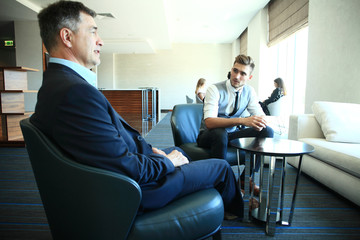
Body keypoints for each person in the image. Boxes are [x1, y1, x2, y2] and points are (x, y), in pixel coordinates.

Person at [31, 1, 243, 218]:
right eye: (93, 32)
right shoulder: (76, 93)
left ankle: (208, 195)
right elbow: (125, 167)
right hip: (137, 190)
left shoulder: (54, 86)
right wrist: (166, 162)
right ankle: (234, 212)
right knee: (221, 167)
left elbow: (106, 151)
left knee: (181, 152)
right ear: (67, 37)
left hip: (121, 180)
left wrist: (152, 153)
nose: (100, 41)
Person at [197, 54, 274, 160]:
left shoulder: (249, 91)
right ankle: (221, 175)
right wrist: (242, 121)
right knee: (220, 133)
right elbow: (209, 122)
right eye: (235, 71)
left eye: (243, 73)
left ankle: (248, 175)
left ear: (249, 77)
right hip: (209, 135)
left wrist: (260, 121)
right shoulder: (214, 89)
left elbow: (260, 115)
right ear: (231, 70)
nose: (237, 76)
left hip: (232, 134)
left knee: (267, 131)